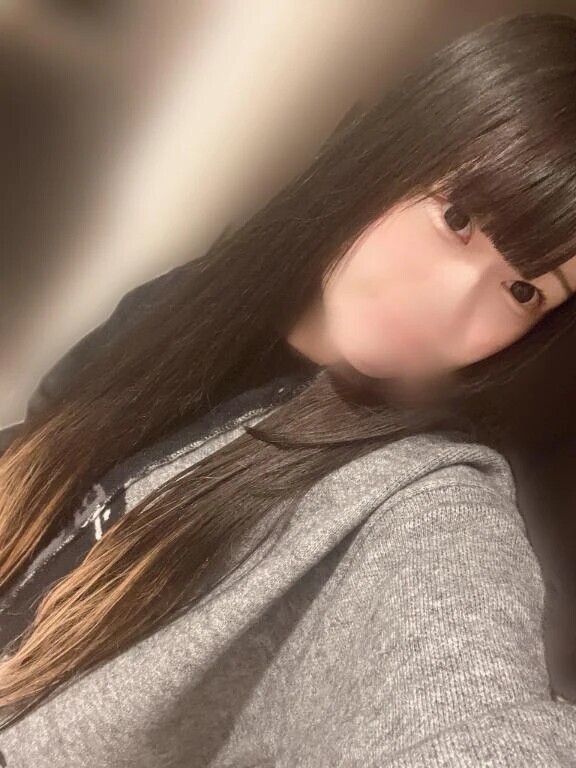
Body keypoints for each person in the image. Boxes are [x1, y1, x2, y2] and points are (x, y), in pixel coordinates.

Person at [2, 12, 576, 766]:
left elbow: (472, 719)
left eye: (525, 290)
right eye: (457, 218)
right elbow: (43, 440)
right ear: (394, 152)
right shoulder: (196, 303)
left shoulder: (423, 502)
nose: (449, 308)